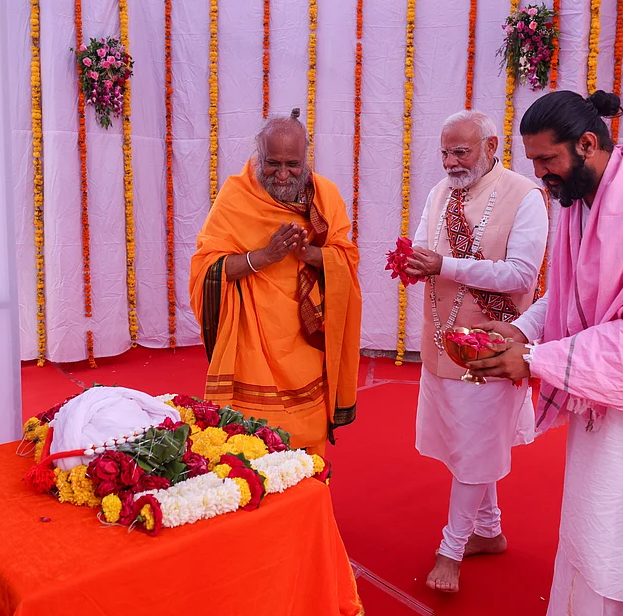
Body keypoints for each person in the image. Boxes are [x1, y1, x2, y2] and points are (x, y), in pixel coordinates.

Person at [469, 90, 623, 615]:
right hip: (607, 394)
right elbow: (573, 292)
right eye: (534, 163)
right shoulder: (583, 196)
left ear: (588, 144)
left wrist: (535, 361)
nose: (541, 176)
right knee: (591, 538)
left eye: (547, 161)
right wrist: (523, 332)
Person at [404, 110, 548, 593]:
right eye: (444, 151)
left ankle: (451, 550)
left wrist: (445, 264)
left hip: (492, 346)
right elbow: (424, 248)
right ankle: (489, 532)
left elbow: (523, 276)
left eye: (460, 151)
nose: (449, 162)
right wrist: (414, 262)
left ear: (491, 147)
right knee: (472, 447)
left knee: (473, 451)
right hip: (441, 339)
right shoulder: (439, 192)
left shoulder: (525, 196)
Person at [189, 108, 362, 457]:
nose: (283, 174)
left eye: (292, 164)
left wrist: (310, 254)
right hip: (252, 342)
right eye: (273, 163)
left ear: (306, 157)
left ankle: (307, 506)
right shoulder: (237, 196)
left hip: (306, 340)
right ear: (258, 155)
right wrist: (263, 257)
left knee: (306, 441)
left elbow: (346, 258)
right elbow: (207, 268)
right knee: (253, 444)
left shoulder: (325, 195)